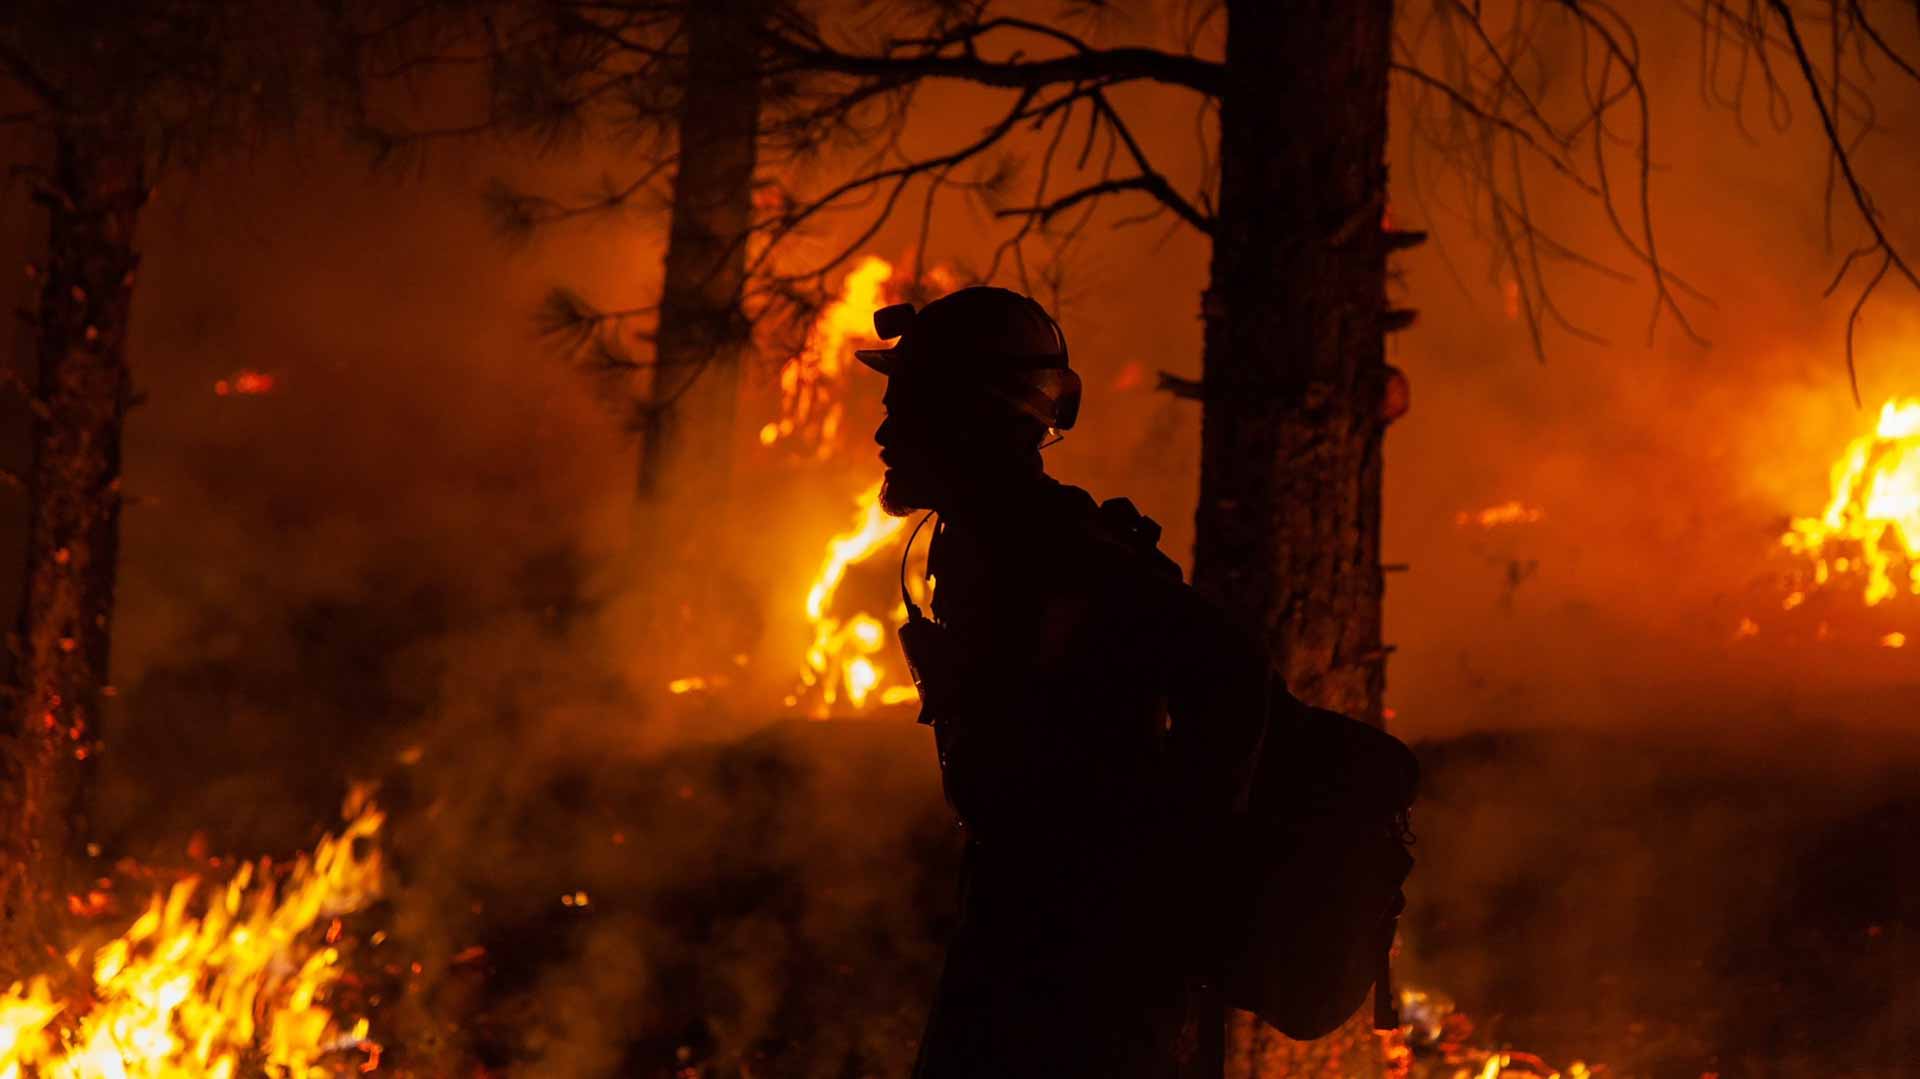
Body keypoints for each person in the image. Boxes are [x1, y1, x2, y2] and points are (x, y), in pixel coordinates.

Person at [856, 286, 1273, 1079]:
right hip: (1023, 937)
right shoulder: (987, 544)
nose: (884, 431)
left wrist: (1143, 875)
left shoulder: (1060, 548)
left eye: (906, 405)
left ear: (970, 416)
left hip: (1082, 975)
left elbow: (1231, 681)